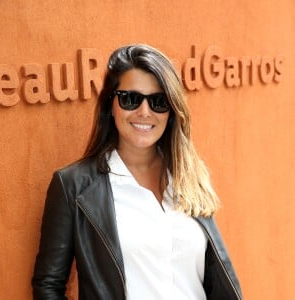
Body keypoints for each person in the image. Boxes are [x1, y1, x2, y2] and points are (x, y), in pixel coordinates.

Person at [32, 44, 242, 300]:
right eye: (130, 99)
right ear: (111, 105)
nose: (145, 112)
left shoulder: (188, 176)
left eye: (158, 101)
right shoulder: (74, 187)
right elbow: (48, 286)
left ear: (172, 111)